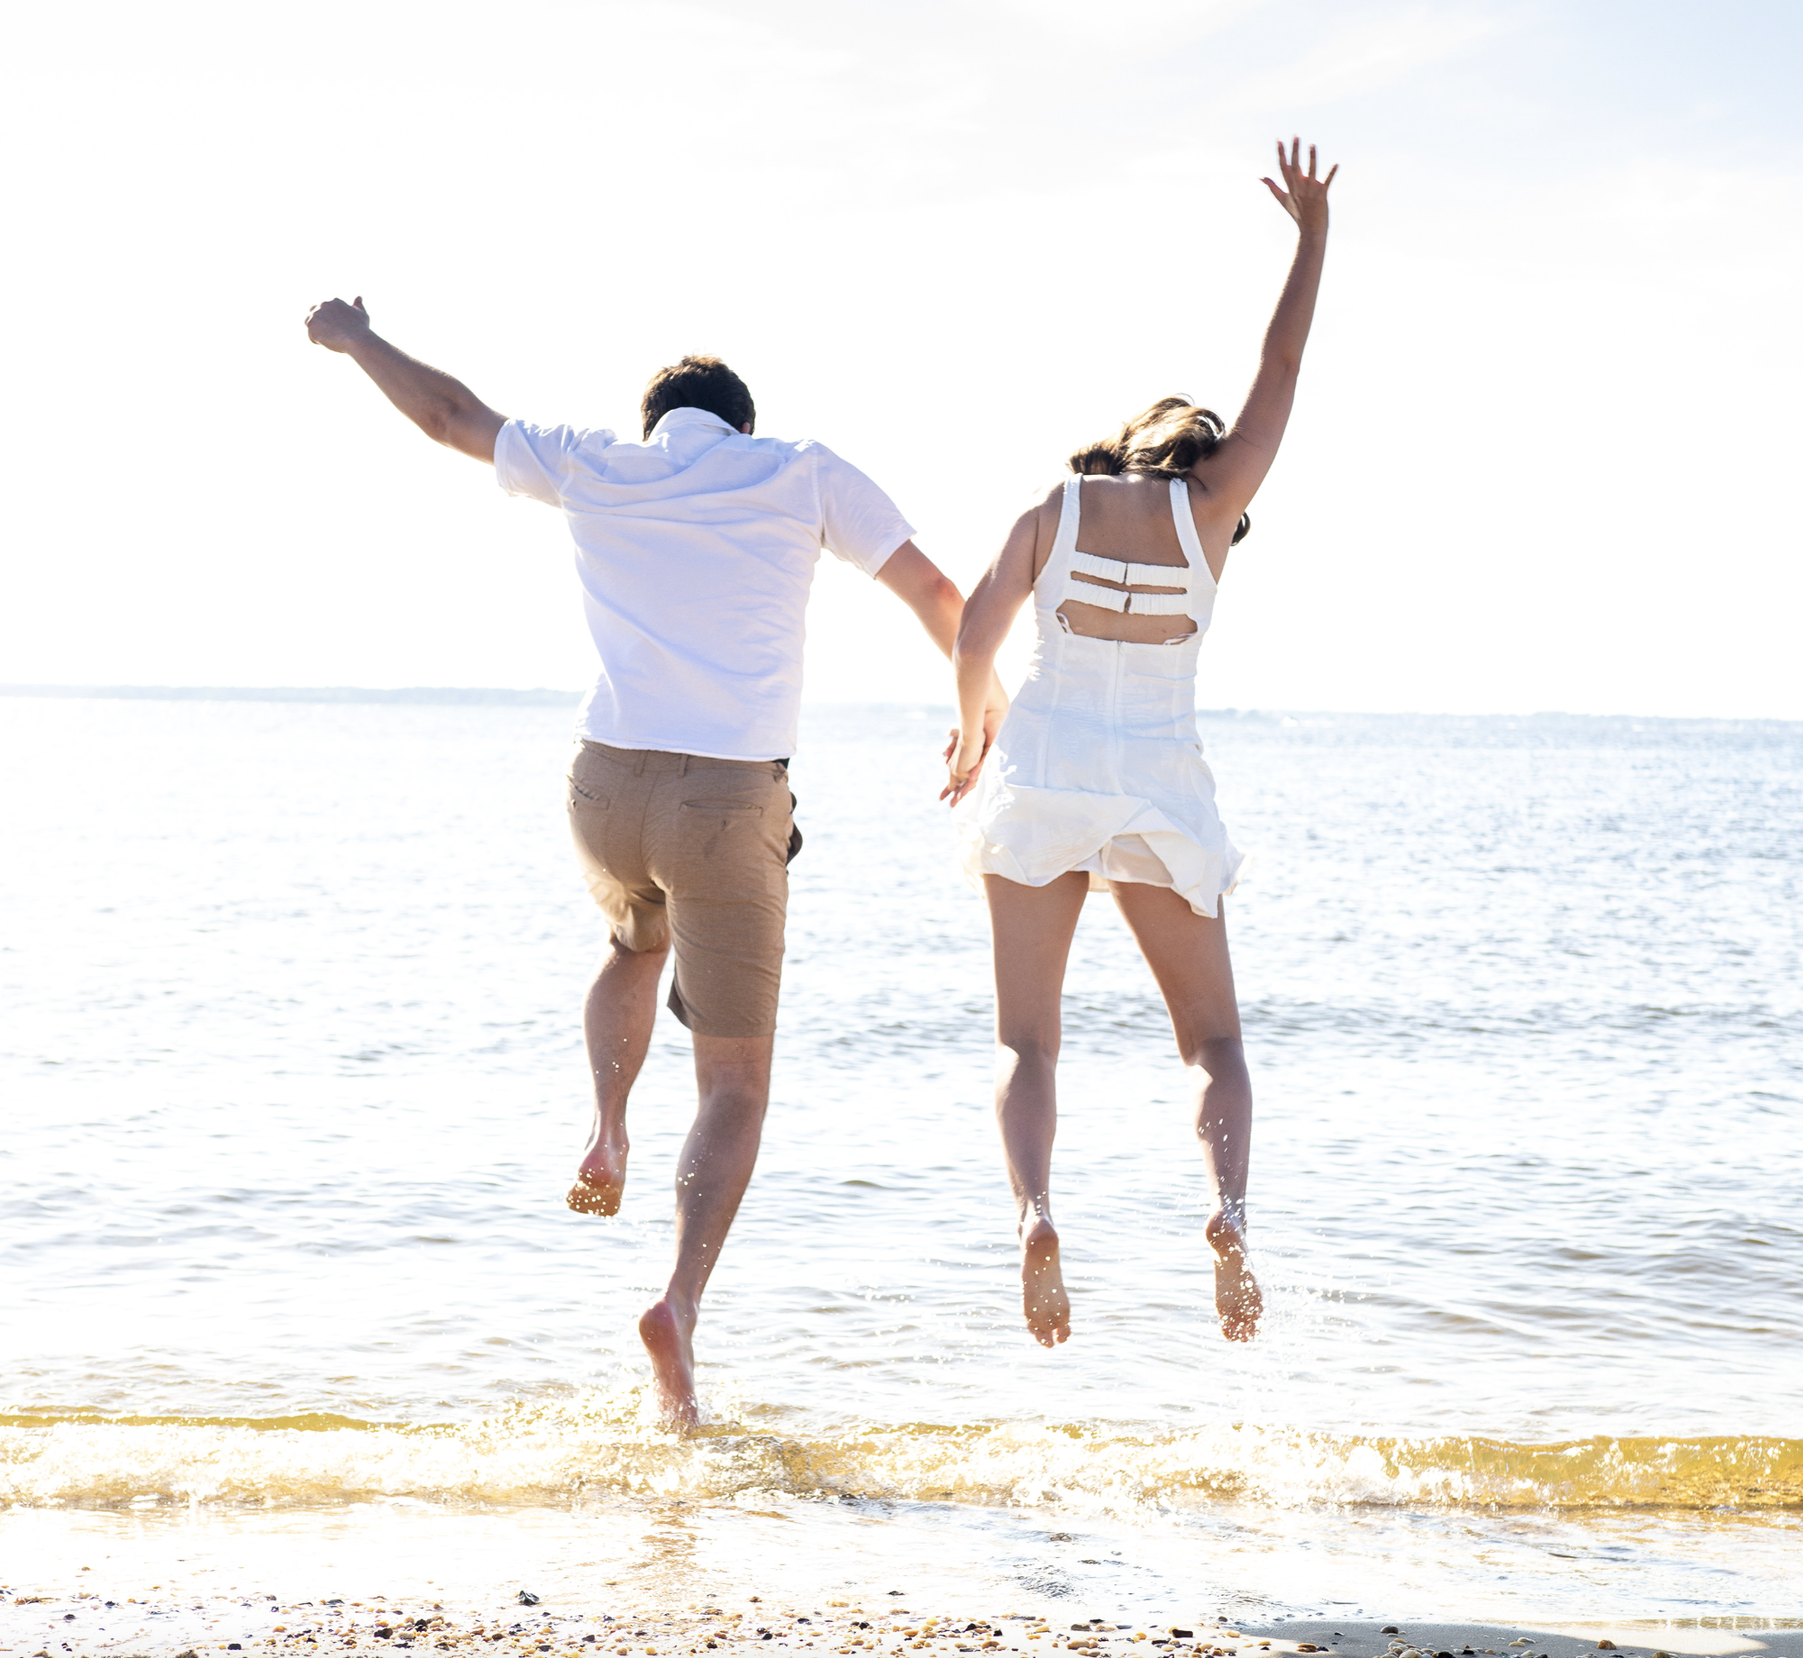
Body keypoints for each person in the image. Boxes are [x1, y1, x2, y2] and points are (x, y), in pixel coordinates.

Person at [302, 308, 979, 1424]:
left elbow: (447, 416)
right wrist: (977, 710)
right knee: (734, 1083)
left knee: (631, 936)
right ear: (742, 423)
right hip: (726, 796)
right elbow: (939, 598)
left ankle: (608, 1125)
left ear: (655, 422)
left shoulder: (598, 463)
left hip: (604, 787)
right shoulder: (800, 470)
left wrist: (359, 341)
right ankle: (677, 1303)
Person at [940, 139, 1336, 1349]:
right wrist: (1312, 234)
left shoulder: (1053, 507)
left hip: (1046, 763)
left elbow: (971, 626)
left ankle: (1035, 1215)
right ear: (1200, 458)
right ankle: (1225, 1211)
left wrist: (975, 729)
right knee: (1210, 1040)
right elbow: (1280, 361)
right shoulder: (1214, 514)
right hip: (1161, 780)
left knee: (1025, 1039)